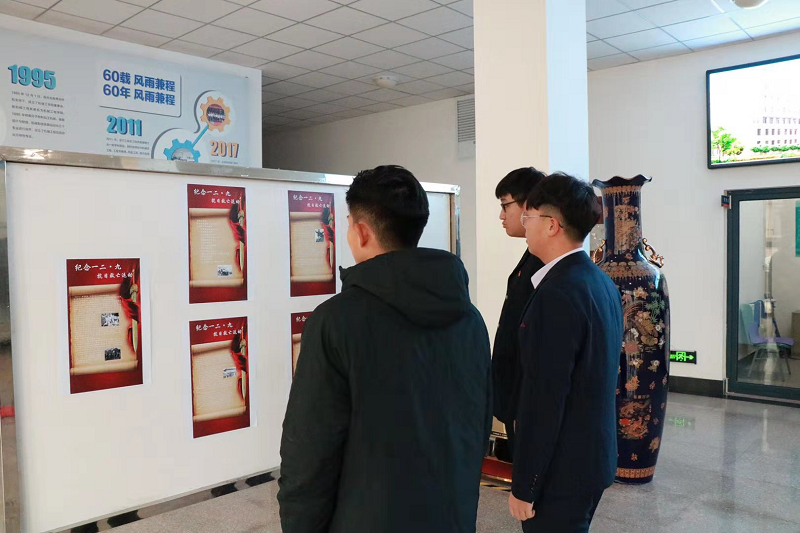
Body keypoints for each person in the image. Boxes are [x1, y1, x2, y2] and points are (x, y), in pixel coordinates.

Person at [278, 165, 492, 533]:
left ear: (362, 232)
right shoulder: (470, 318)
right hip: (451, 514)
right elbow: (477, 422)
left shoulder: (335, 321)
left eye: (349, 224)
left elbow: (310, 449)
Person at [509, 173, 623, 532]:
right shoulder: (599, 280)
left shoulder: (557, 293)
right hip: (590, 457)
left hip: (561, 470)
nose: (524, 226)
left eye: (528, 216)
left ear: (551, 225)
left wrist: (526, 485)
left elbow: (545, 398)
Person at [492, 168, 546, 457]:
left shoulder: (546, 266)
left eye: (505, 205)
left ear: (528, 206)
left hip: (526, 400)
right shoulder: (532, 257)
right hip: (515, 395)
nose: (502, 215)